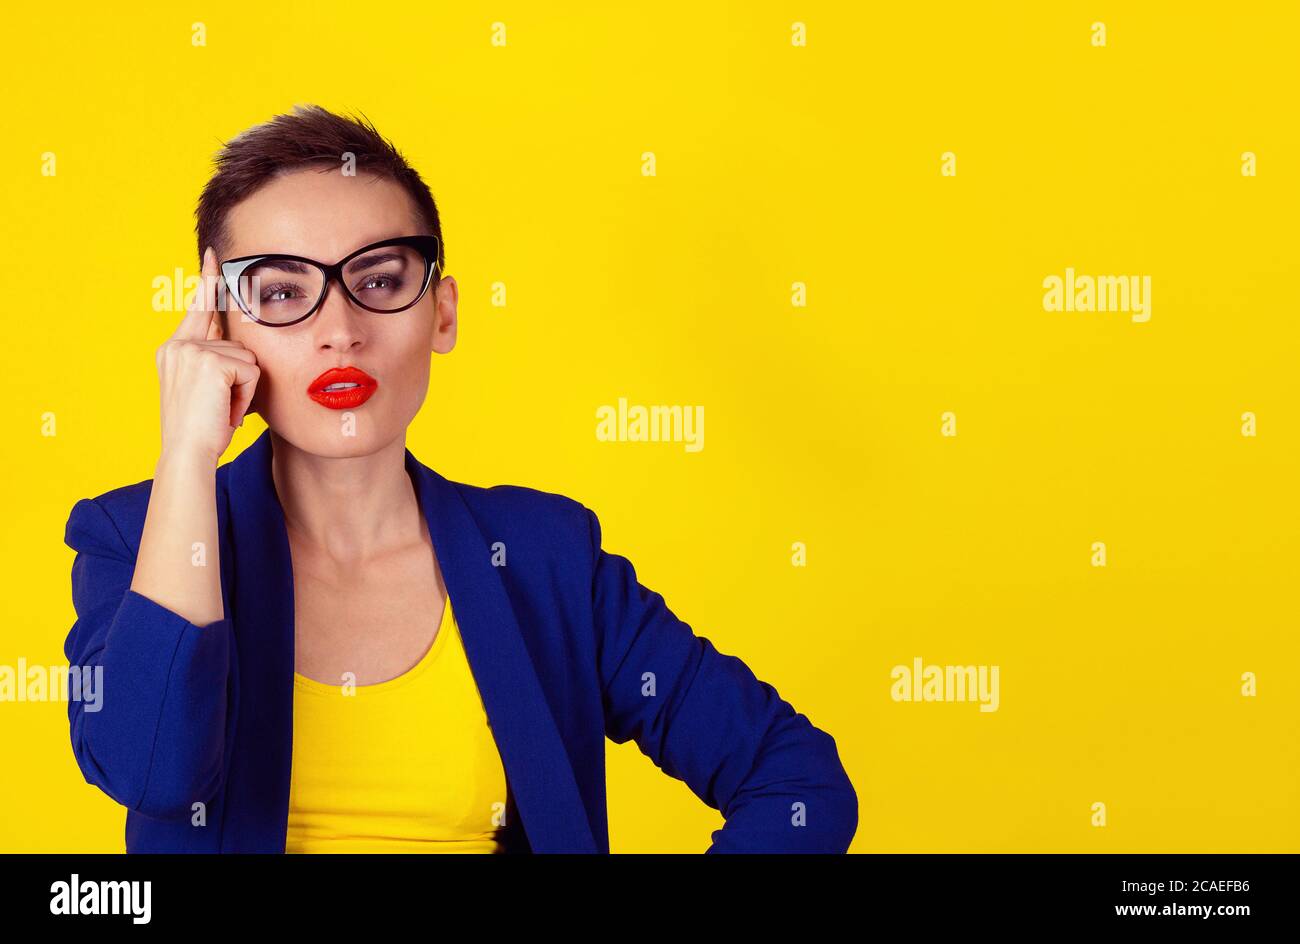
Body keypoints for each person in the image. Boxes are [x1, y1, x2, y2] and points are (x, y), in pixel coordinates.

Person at [62, 104, 857, 853]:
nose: (340, 331)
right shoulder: (135, 539)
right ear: (218, 325)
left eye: (378, 280)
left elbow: (797, 783)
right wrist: (186, 458)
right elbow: (149, 769)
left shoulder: (548, 558)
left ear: (442, 312)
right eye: (280, 293)